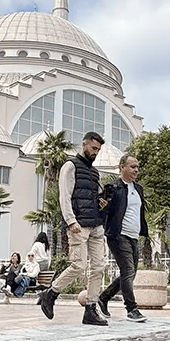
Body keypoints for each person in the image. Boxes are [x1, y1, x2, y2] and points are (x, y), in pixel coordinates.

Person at [36, 131, 109, 326]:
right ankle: (50, 293)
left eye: (98, 150)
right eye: (93, 148)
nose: (95, 152)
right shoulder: (70, 166)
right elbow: (65, 196)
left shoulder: (95, 173)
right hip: (78, 225)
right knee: (79, 266)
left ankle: (91, 309)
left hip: (96, 224)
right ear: (84, 145)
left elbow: (93, 196)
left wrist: (100, 202)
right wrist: (70, 220)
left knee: (99, 267)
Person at [99, 154, 149, 323]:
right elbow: (102, 208)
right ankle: (131, 309)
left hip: (133, 236)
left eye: (137, 167)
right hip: (118, 235)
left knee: (131, 273)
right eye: (133, 166)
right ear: (122, 167)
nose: (136, 170)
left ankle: (104, 298)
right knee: (128, 270)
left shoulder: (138, 188)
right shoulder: (113, 187)